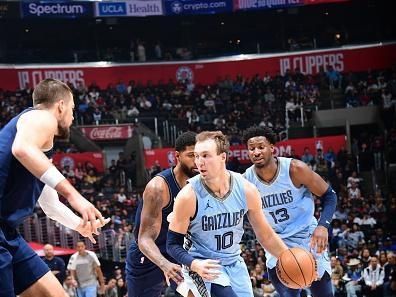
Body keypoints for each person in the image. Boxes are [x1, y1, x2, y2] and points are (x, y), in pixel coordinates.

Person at [0, 78, 107, 297]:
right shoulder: (42, 117)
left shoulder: (39, 153)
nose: (73, 116)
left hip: (6, 233)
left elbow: (50, 206)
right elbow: (22, 149)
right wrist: (74, 196)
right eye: (72, 109)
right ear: (60, 106)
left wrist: (79, 225)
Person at [167, 131, 288, 297]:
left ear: (222, 157)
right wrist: (194, 264)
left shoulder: (246, 189)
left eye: (205, 156)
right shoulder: (188, 196)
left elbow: (265, 235)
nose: (199, 162)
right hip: (203, 265)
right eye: (196, 156)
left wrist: (288, 258)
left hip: (234, 262)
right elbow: (172, 244)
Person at [243, 126, 337, 297]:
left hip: (307, 237)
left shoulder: (295, 169)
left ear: (272, 148)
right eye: (251, 148)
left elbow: (329, 196)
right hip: (275, 242)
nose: (256, 152)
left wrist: (323, 226)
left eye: (261, 147)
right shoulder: (245, 182)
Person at [125, 131, 197, 297]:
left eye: (200, 156)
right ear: (177, 156)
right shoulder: (158, 187)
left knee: (195, 293)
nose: (197, 161)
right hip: (148, 254)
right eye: (191, 155)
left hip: (176, 251)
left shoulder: (200, 183)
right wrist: (164, 264)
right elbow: (144, 238)